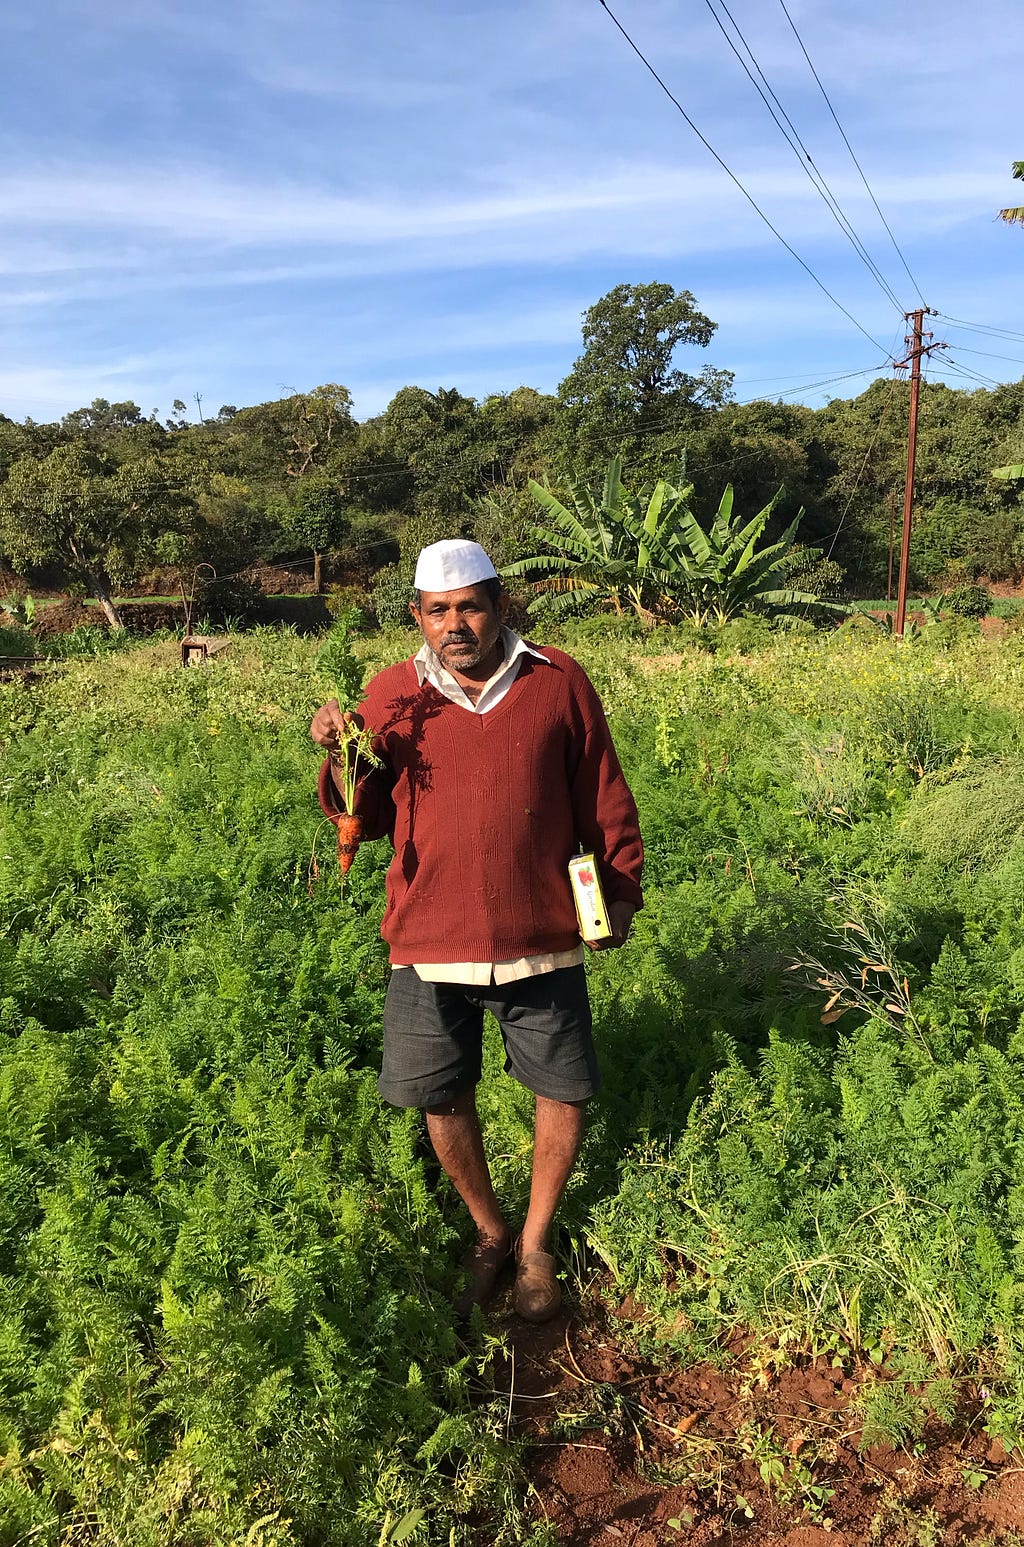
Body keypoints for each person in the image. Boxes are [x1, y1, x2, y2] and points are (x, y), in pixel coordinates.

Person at [310, 539, 643, 1323]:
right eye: (438, 611)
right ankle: (489, 1229)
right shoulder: (390, 694)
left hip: (543, 930)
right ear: (418, 617)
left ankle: (535, 1243)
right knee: (441, 1092)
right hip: (431, 933)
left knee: (560, 1088)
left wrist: (619, 888)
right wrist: (338, 754)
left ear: (498, 605)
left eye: (470, 607)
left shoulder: (556, 681)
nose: (455, 624)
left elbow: (603, 787)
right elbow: (369, 809)